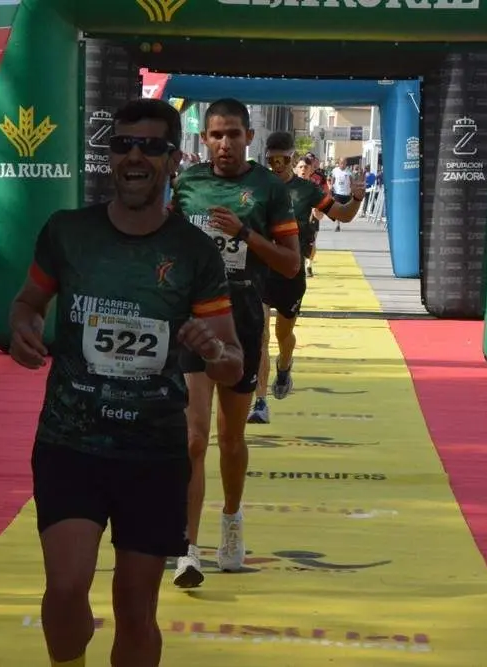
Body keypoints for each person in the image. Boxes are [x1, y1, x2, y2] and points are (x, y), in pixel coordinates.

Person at [9, 98, 244, 667]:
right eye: (122, 144)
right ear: (110, 155)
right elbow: (26, 304)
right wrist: (23, 329)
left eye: (151, 147)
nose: (134, 156)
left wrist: (212, 350)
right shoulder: (68, 232)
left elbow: (233, 361)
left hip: (153, 452)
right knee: (65, 590)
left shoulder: (192, 251)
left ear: (171, 159)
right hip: (71, 441)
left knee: (135, 608)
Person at [168, 98, 300, 588]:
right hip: (194, 318)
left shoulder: (267, 189)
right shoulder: (187, 185)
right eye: (216, 135)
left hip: (242, 314)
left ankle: (231, 520)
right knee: (193, 438)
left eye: (234, 135)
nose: (225, 144)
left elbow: (289, 264)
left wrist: (244, 233)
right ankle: (187, 547)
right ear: (204, 139)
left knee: (231, 438)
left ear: (249, 137)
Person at [248, 132, 364, 424]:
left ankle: (285, 365)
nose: (277, 166)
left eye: (283, 160)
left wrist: (357, 199)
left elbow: (344, 215)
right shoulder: (256, 185)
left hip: (291, 272)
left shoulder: (306, 190)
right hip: (259, 270)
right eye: (271, 160)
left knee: (282, 336)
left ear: (293, 159)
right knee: (259, 336)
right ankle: (260, 401)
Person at [329, 157, 352, 231]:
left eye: (344, 163)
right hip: (337, 193)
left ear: (346, 163)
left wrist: (352, 190)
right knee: (338, 209)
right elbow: (333, 179)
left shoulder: (348, 171)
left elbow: (352, 182)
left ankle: (342, 219)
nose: (342, 164)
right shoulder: (335, 170)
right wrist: (331, 186)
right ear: (339, 163)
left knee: (345, 210)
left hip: (346, 193)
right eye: (341, 163)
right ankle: (338, 225)